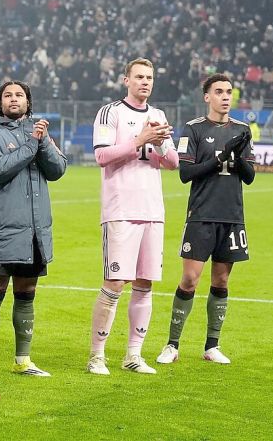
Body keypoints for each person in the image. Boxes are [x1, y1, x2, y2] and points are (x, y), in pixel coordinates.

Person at [88, 57, 179, 376]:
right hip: (121, 210)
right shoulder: (110, 112)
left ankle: (133, 355)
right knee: (114, 282)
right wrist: (140, 140)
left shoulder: (158, 115)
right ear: (126, 80)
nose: (145, 82)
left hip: (153, 210)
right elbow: (101, 156)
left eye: (150, 77)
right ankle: (97, 355)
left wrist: (162, 144)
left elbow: (172, 163)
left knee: (145, 283)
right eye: (139, 76)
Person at [157, 74, 255, 365]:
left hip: (232, 216)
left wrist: (237, 157)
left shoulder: (242, 129)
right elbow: (186, 174)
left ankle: (212, 346)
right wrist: (221, 156)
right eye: (219, 92)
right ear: (207, 97)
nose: (226, 97)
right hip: (201, 215)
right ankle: (172, 345)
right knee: (189, 279)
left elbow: (249, 178)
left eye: (229, 92)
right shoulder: (194, 129)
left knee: (221, 279)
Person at [0, 81, 67, 378]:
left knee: (27, 292)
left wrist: (40, 142)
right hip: (3, 229)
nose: (14, 99)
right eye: (7, 95)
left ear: (28, 101)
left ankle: (23, 360)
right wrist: (32, 144)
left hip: (34, 232)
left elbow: (58, 170)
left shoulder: (39, 134)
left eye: (20, 95)